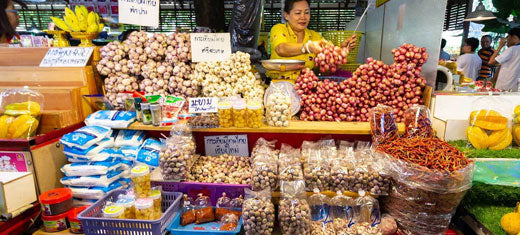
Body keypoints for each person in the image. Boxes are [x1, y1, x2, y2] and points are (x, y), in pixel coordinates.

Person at [267, 0, 356, 81]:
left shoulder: (316, 37)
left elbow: (325, 70)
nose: (303, 17)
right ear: (286, 15)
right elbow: (281, 49)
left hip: (306, 89)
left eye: (306, 12)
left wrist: (341, 52)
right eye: (298, 13)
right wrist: (307, 47)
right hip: (279, 89)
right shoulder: (279, 29)